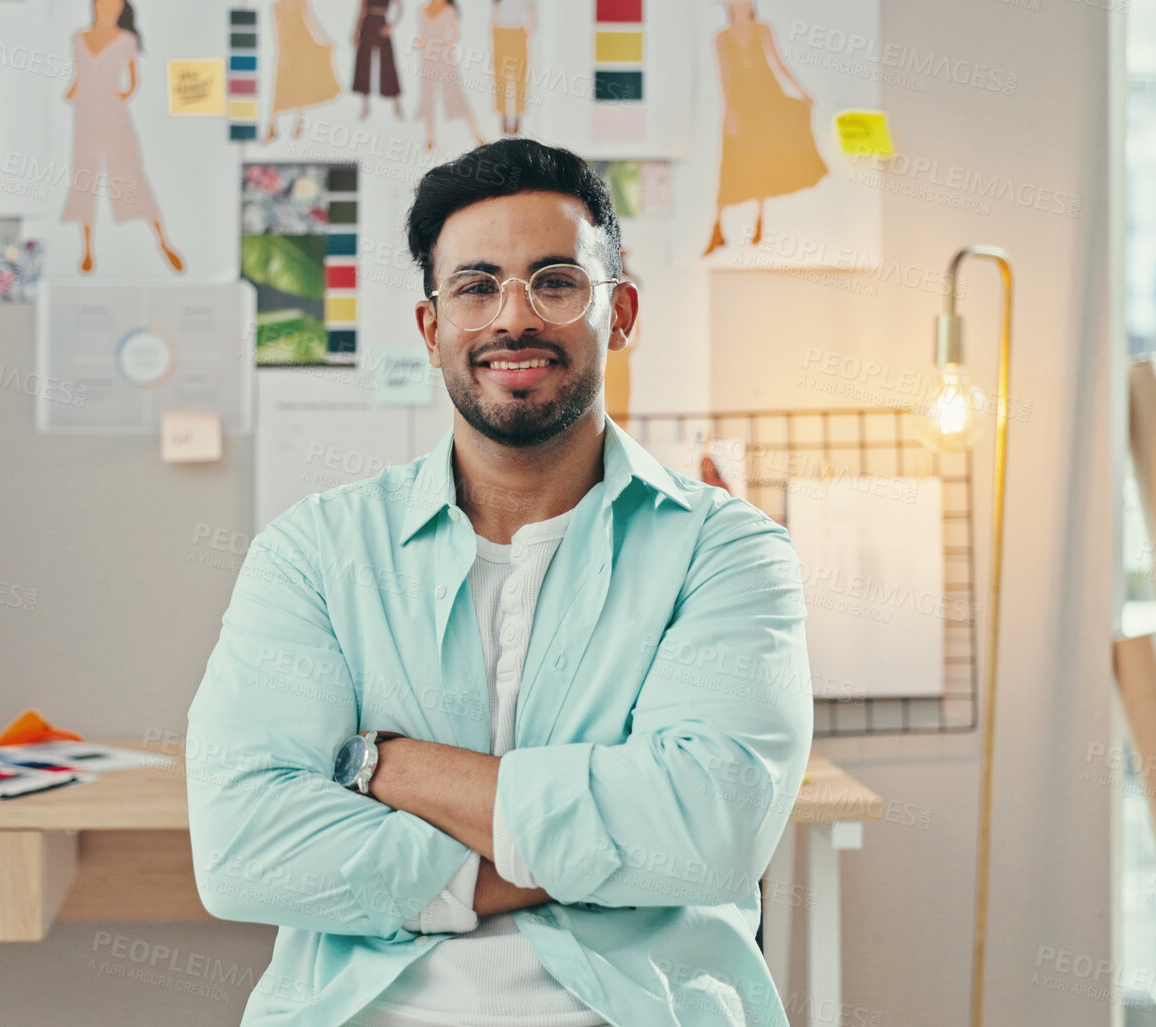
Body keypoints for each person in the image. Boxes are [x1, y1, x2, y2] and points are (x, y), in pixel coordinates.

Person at [187, 138, 814, 1026]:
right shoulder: (314, 552)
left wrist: (384, 763)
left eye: (554, 281)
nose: (510, 318)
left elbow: (706, 834)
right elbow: (243, 849)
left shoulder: (725, 552)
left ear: (620, 311)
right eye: (475, 287)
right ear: (431, 326)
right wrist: (589, 846)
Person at [62, 0, 184, 273]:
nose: (105, 10)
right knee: (85, 176)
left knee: (130, 172)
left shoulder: (126, 40)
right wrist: (72, 93)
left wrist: (118, 96)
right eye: (102, 5)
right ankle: (86, 249)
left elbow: (133, 82)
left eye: (111, 6)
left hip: (113, 113)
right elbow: (78, 77)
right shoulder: (79, 38)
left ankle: (162, 241)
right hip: (85, 113)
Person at [703, 0, 827, 254]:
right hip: (741, 104)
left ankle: (759, 221)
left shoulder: (764, 29)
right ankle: (718, 226)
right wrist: (730, 112)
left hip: (767, 100)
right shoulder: (721, 37)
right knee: (733, 162)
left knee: (762, 161)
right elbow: (724, 76)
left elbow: (778, 64)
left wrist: (803, 91)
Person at [267, 0, 343, 141]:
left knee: (302, 82)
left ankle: (298, 122)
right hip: (288, 46)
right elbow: (278, 29)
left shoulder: (301, 2)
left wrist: (326, 39)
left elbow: (311, 21)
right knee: (282, 85)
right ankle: (272, 125)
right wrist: (282, 52)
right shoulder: (276, 6)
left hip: (304, 45)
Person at [413, 0, 484, 151]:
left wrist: (445, 46)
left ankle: (476, 133)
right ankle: (429, 137)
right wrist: (420, 43)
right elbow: (422, 34)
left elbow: (455, 35)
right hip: (427, 58)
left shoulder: (448, 10)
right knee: (428, 97)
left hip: (444, 59)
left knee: (456, 93)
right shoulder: (422, 11)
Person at [351, 0, 403, 120]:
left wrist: (392, 25)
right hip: (367, 24)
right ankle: (365, 106)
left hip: (382, 23)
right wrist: (356, 32)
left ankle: (397, 104)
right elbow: (361, 11)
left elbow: (400, 9)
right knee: (364, 63)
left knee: (388, 62)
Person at [490, 0, 535, 135]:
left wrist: (527, 33)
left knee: (520, 77)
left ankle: (517, 118)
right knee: (500, 77)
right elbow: (494, 12)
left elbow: (532, 13)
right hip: (501, 33)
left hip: (518, 33)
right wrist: (494, 33)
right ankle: (503, 116)